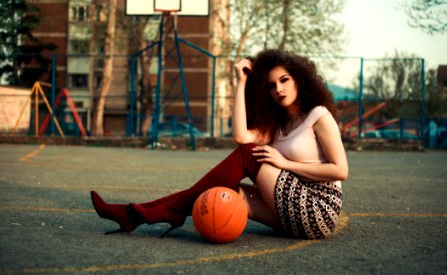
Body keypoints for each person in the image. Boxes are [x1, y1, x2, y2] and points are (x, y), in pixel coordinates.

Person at [91, 49, 348, 239]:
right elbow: (240, 136)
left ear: (299, 80)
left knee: (250, 155)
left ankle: (152, 213)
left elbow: (340, 171)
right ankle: (140, 214)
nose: (278, 89)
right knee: (224, 192)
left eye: (284, 80)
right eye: (270, 86)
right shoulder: (276, 126)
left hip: (318, 208)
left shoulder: (319, 116)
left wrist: (285, 163)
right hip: (290, 207)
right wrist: (241, 82)